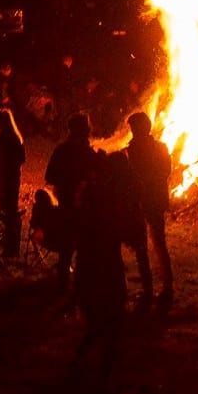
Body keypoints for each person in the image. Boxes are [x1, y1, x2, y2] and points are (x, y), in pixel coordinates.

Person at [73, 149, 133, 375]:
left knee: (98, 298)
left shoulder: (96, 191)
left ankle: (98, 341)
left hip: (94, 252)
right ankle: (101, 342)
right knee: (108, 298)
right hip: (101, 253)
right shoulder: (104, 192)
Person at [126, 111, 174, 310]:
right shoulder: (161, 147)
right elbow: (166, 172)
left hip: (142, 201)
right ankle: (166, 287)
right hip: (155, 200)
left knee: (142, 246)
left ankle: (149, 290)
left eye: (133, 128)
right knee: (158, 244)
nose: (131, 132)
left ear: (139, 128)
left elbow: (132, 175)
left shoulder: (134, 150)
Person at [45, 113, 98, 292]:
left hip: (70, 202)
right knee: (82, 243)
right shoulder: (88, 153)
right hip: (82, 204)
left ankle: (64, 280)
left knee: (68, 243)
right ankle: (80, 282)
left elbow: (49, 176)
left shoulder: (63, 150)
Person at [0, 104, 26, 255]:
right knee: (8, 212)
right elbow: (22, 158)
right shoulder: (13, 136)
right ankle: (9, 245)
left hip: (6, 180)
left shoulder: (6, 137)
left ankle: (10, 246)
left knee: (7, 213)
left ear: (2, 122)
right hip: (9, 178)